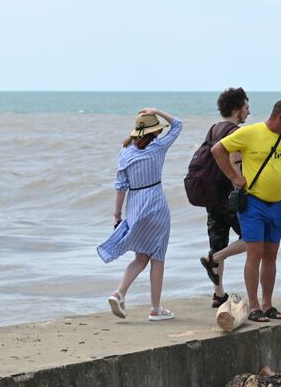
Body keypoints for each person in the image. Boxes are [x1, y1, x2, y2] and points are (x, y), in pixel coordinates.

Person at [212, 99, 281, 322]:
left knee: (271, 255)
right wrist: (234, 177)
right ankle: (253, 306)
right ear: (280, 117)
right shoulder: (251, 133)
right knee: (255, 253)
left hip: (276, 206)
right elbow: (218, 149)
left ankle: (267, 304)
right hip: (253, 204)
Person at [97, 108, 182, 321]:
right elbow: (178, 124)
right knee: (158, 257)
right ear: (155, 131)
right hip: (155, 204)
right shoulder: (158, 147)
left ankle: (119, 293)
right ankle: (155, 308)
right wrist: (157, 111)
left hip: (134, 205)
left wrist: (117, 215)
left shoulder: (125, 152)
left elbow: (120, 186)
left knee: (141, 256)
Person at [199, 87, 250, 308]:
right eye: (246, 108)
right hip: (228, 195)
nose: (249, 112)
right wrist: (239, 184)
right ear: (237, 109)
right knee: (253, 237)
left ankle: (218, 294)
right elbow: (235, 161)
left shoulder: (213, 129)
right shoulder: (235, 132)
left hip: (210, 194)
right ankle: (214, 259)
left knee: (217, 241)